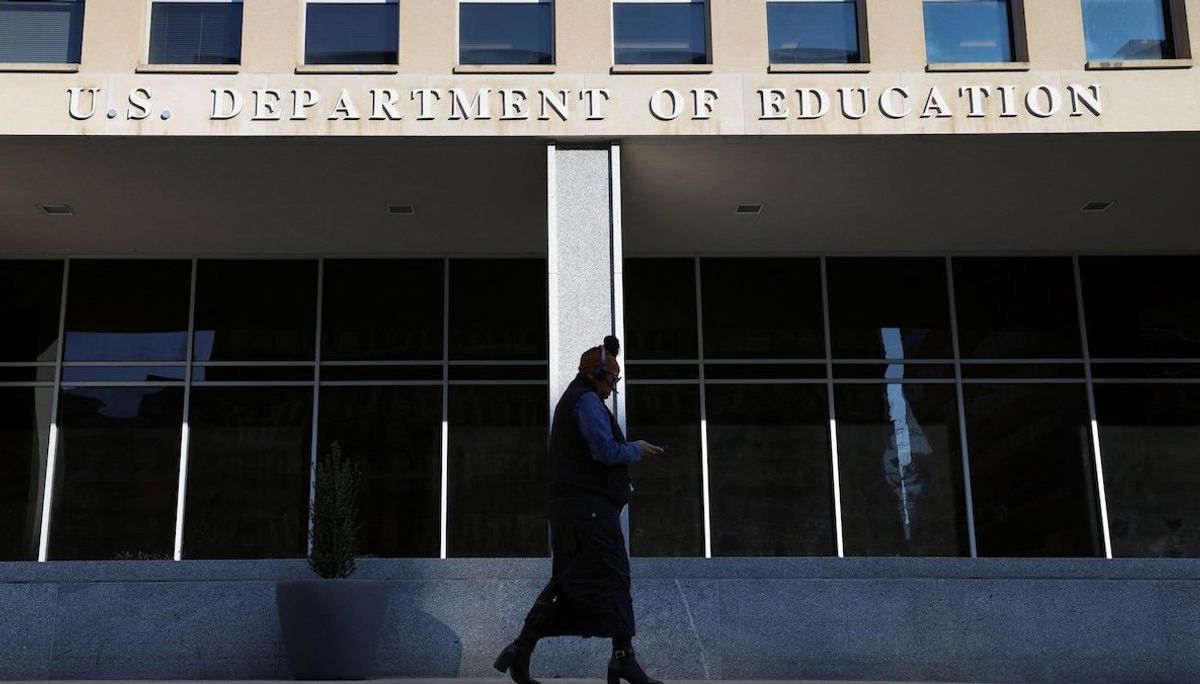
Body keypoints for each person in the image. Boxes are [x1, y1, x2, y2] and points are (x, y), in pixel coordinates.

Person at [494, 335, 665, 684]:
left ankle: (520, 649)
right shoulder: (585, 401)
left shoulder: (578, 399)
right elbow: (603, 450)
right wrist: (635, 449)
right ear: (596, 374)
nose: (613, 388)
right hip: (587, 512)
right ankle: (622, 658)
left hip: (574, 512)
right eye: (612, 380)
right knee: (615, 574)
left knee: (566, 583)